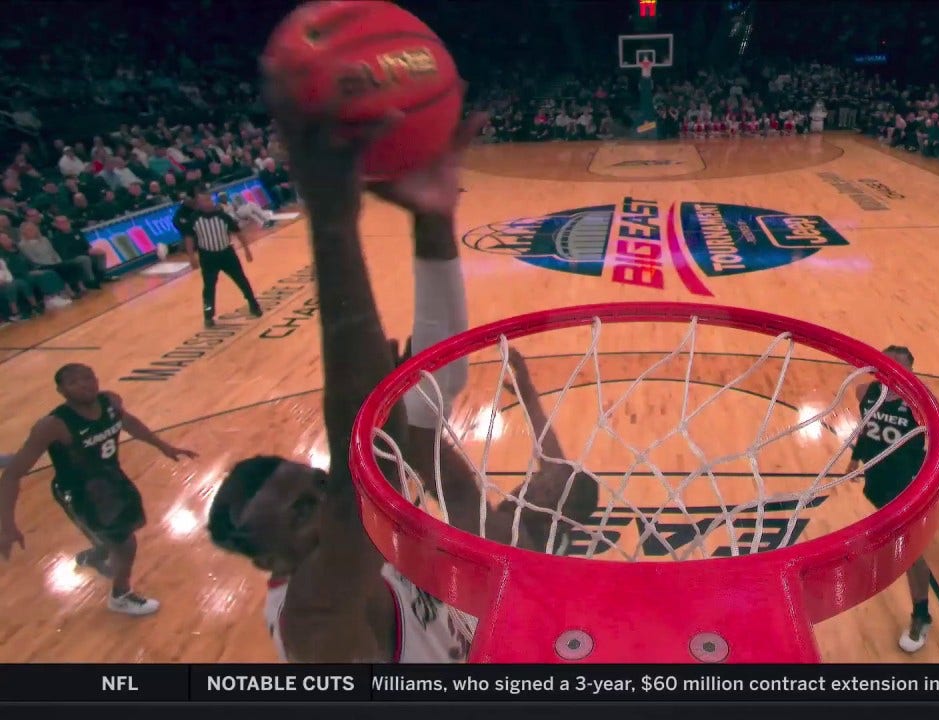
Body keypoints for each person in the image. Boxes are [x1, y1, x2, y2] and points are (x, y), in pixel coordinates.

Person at [206, 63, 596, 662]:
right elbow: (355, 442)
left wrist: (433, 220)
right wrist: (333, 220)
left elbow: (453, 478)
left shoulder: (391, 553)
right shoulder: (313, 620)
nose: (338, 497)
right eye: (308, 506)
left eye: (322, 485)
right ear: (266, 557)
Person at [0, 364, 197, 614]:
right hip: (79, 491)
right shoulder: (53, 425)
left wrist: (163, 446)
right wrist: (7, 526)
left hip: (111, 479)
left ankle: (95, 555)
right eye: (73, 382)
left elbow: (129, 422)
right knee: (125, 542)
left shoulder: (110, 401)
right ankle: (120, 595)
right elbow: (11, 476)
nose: (83, 384)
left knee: (114, 535)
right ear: (61, 391)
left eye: (88, 377)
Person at [845, 345, 933, 652]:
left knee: (912, 549)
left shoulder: (919, 403)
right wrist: (856, 457)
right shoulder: (867, 391)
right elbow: (867, 427)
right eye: (887, 364)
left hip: (906, 483)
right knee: (894, 537)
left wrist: (925, 483)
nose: (893, 371)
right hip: (877, 478)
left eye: (901, 367)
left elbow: (933, 444)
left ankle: (922, 615)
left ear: (911, 372)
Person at [183, 188, 263, 328]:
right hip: (208, 257)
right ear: (198, 203)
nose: (207, 203)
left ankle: (253, 304)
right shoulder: (194, 218)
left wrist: (247, 250)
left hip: (226, 253)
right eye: (203, 201)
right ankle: (208, 315)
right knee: (208, 288)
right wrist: (191, 257)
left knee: (241, 280)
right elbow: (188, 237)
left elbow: (238, 232)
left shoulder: (223, 216)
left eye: (208, 200)